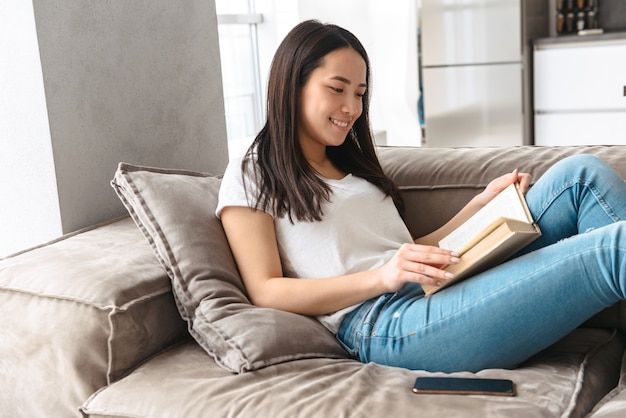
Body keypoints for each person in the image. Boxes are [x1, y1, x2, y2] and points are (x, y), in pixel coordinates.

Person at [216, 20, 626, 373]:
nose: (351, 107)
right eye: (337, 89)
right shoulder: (252, 172)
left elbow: (410, 254)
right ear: (293, 85)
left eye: (359, 93)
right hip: (388, 323)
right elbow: (265, 289)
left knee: (581, 176)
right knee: (613, 248)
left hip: (432, 284)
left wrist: (480, 206)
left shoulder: (351, 167)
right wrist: (382, 277)